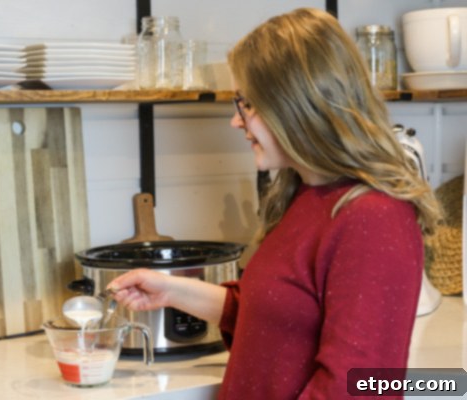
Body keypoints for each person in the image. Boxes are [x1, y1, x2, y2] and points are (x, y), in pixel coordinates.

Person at [108, 7, 441, 399]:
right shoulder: (306, 194)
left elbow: (356, 389)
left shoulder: (374, 218)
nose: (236, 121)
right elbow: (274, 315)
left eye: (247, 103)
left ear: (297, 105)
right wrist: (172, 291)